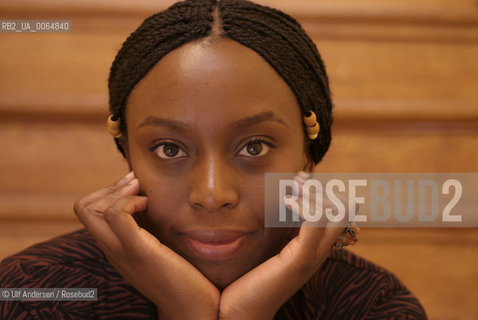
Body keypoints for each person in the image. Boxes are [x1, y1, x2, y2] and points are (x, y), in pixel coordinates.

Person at [0, 0, 427, 319]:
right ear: (127, 149)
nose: (211, 194)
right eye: (170, 149)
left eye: (254, 147)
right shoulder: (34, 294)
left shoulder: (370, 303)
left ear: (307, 151)